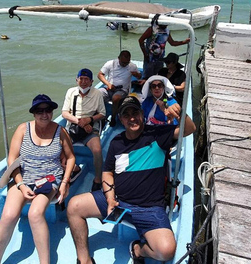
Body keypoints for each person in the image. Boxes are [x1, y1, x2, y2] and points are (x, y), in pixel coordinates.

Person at [67, 95, 196, 264]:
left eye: (135, 112)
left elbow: (189, 129)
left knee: (166, 251)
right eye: (126, 115)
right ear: (121, 119)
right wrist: (110, 199)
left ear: (142, 114)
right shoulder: (116, 142)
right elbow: (107, 172)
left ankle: (138, 249)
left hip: (149, 209)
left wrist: (180, 114)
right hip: (118, 201)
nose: (132, 118)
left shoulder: (158, 134)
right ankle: (84, 260)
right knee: (74, 206)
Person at [0, 94, 76, 264]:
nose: (44, 114)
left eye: (48, 110)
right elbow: (12, 159)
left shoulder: (60, 131)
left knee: (35, 214)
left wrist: (65, 183)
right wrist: (21, 184)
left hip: (50, 179)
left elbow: (71, 157)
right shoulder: (23, 129)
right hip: (23, 177)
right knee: (8, 216)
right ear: (33, 113)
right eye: (39, 111)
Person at [62, 68, 106, 192]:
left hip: (90, 128)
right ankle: (74, 169)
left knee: (97, 150)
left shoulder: (97, 94)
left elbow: (102, 113)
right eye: (81, 79)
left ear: (91, 81)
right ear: (77, 80)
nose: (84, 82)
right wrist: (80, 122)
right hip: (73, 127)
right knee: (58, 147)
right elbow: (65, 113)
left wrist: (89, 120)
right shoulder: (71, 92)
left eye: (87, 79)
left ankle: (97, 179)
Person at [98, 50, 141, 127]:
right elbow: (100, 75)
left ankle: (113, 118)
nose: (124, 64)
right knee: (97, 94)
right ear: (118, 58)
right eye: (123, 62)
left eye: (127, 63)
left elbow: (139, 76)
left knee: (116, 98)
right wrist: (108, 84)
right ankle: (100, 116)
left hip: (122, 90)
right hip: (109, 87)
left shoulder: (132, 66)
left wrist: (137, 74)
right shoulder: (110, 63)